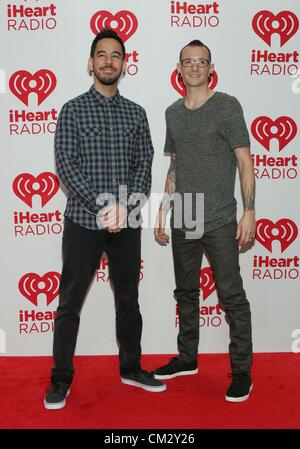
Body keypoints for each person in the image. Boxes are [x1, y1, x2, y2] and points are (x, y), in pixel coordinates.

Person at [44, 29, 166, 410]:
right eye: (102, 55)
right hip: (83, 221)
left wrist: (125, 209)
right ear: (90, 62)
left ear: (125, 64)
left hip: (126, 225)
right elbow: (67, 166)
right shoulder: (72, 109)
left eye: (116, 55)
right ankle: (60, 379)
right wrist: (103, 207)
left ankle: (131, 367)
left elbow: (144, 167)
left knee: (128, 300)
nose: (108, 61)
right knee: (69, 302)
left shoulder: (136, 113)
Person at [153, 40, 255, 402]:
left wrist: (249, 209)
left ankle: (242, 371)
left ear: (211, 68)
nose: (194, 66)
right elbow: (176, 164)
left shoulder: (227, 106)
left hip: (221, 217)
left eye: (201, 61)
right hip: (185, 216)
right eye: (188, 61)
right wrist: (162, 210)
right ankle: (187, 358)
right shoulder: (172, 113)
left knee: (232, 296)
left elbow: (245, 161)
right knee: (185, 292)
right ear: (178, 69)